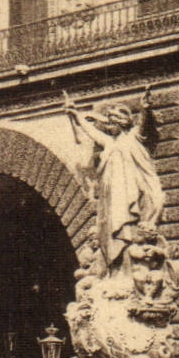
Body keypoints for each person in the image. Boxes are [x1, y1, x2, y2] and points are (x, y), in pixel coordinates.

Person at [62, 87, 163, 274]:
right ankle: (113, 271)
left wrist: (145, 109)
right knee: (109, 229)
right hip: (109, 196)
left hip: (127, 193)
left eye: (114, 121)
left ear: (123, 123)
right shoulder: (109, 143)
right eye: (110, 121)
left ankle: (126, 268)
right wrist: (76, 116)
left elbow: (144, 126)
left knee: (125, 228)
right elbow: (92, 132)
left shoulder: (133, 137)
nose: (111, 125)